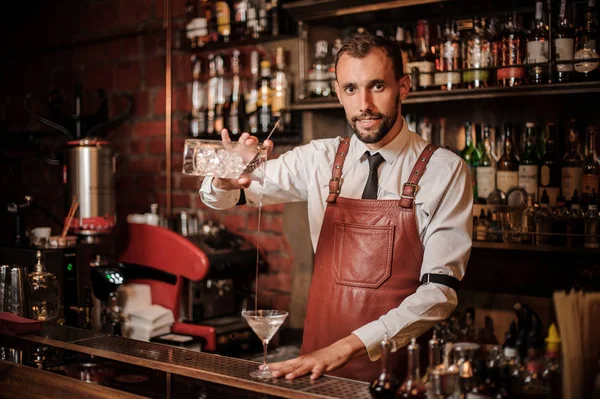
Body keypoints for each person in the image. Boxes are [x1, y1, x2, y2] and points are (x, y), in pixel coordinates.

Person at [200, 33, 473, 382]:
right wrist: (225, 177)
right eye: (350, 89)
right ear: (337, 92)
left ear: (403, 87)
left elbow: (439, 295)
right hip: (316, 369)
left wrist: (345, 348)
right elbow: (226, 197)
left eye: (377, 86)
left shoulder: (445, 171)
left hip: (399, 376)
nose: (364, 105)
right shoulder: (319, 158)